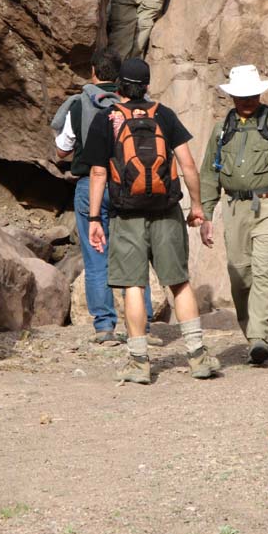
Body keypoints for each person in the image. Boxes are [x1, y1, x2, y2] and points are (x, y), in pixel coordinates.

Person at [82, 57, 221, 384]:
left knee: (133, 283)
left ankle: (139, 361)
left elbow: (99, 171)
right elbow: (187, 164)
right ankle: (198, 356)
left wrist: (93, 218)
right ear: (146, 85)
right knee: (179, 281)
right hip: (166, 210)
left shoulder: (108, 118)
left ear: (119, 86)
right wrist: (197, 205)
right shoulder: (164, 114)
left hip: (126, 212)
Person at [199, 65, 268, 365]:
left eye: (251, 94)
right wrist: (207, 215)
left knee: (265, 269)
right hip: (234, 208)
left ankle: (259, 337)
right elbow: (209, 173)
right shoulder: (221, 128)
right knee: (240, 276)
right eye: (241, 95)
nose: (247, 100)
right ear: (232, 96)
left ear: (260, 92)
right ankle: (255, 337)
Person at [52, 48, 160, 346]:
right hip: (130, 186)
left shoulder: (78, 104)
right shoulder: (138, 105)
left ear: (93, 73)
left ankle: (104, 327)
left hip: (90, 185)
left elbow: (62, 150)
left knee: (95, 256)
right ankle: (143, 326)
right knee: (134, 254)